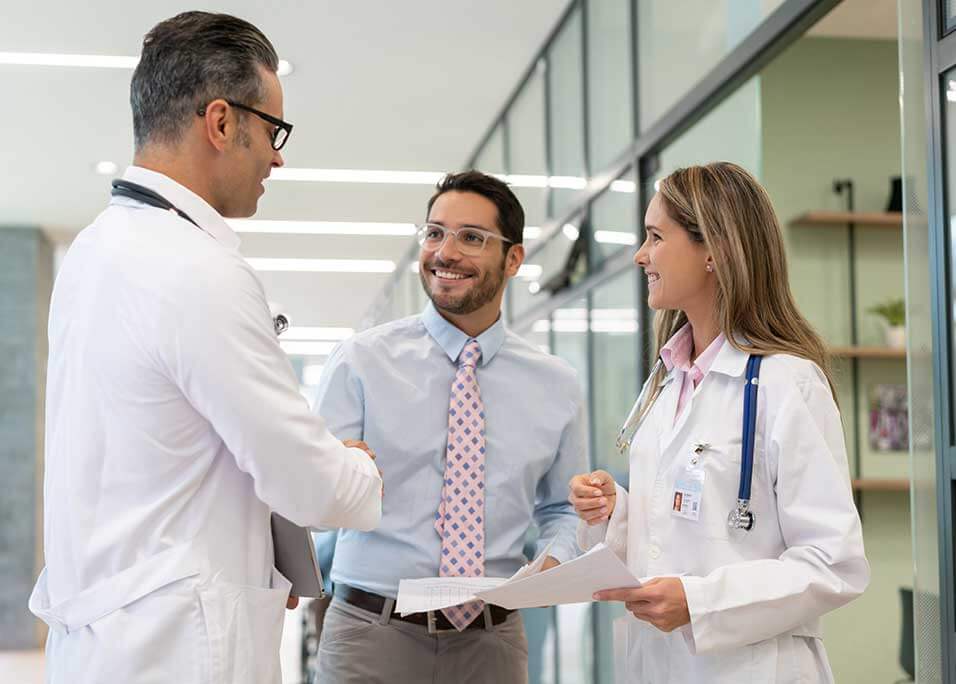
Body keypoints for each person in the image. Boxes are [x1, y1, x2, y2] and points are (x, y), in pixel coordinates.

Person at [28, 12, 382, 684]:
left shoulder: (95, 252)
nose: (278, 155)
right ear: (221, 123)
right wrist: (357, 467)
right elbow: (308, 484)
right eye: (273, 130)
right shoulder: (196, 270)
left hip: (110, 639)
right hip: (176, 648)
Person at [569, 162, 869, 683]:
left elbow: (834, 565)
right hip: (658, 665)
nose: (641, 255)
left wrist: (700, 601)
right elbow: (676, 531)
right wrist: (616, 513)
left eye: (655, 237)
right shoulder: (666, 384)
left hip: (753, 669)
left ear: (715, 251)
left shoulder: (785, 384)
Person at [312, 170, 587, 683]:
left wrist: (555, 559)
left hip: (492, 643)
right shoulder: (361, 362)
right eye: (435, 232)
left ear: (513, 260)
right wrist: (330, 476)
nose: (446, 251)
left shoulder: (557, 384)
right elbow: (310, 503)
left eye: (471, 237)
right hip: (371, 635)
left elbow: (563, 508)